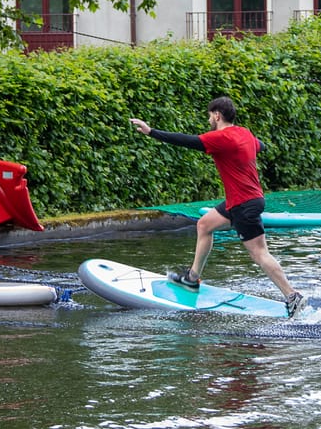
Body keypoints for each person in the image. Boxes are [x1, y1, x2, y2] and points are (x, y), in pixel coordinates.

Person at [130, 97, 307, 317]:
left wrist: (151, 132)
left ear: (217, 115)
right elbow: (260, 146)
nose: (208, 120)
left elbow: (188, 141)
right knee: (204, 225)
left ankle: (292, 296)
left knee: (260, 253)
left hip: (244, 203)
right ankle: (192, 278)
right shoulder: (245, 133)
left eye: (209, 116)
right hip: (240, 200)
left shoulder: (221, 137)